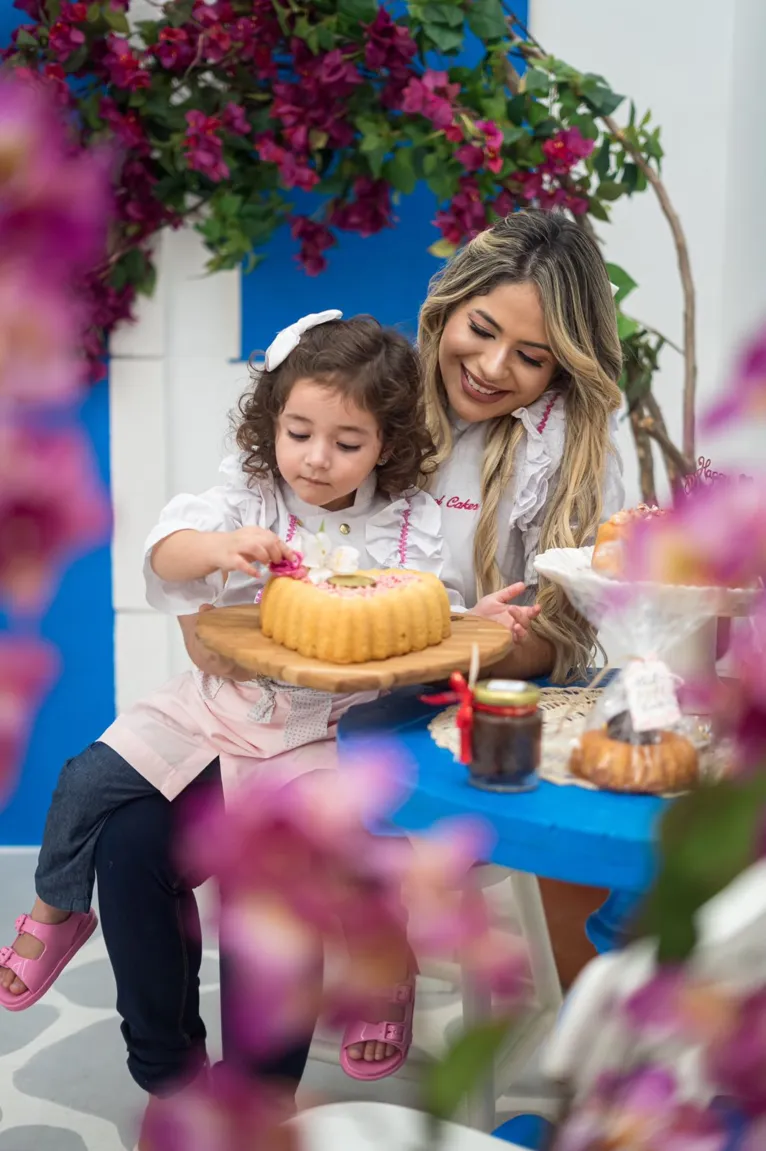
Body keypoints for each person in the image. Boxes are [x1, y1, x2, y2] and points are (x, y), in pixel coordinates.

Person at [0, 313, 540, 1133]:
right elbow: (167, 552)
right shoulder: (244, 498)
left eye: (348, 442)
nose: (318, 458)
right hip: (221, 721)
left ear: (387, 446)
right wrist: (221, 548)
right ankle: (170, 1075)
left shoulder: (409, 526)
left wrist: (482, 621)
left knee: (275, 878)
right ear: (272, 421)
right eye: (299, 432)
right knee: (121, 832)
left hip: (326, 745)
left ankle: (266, 1088)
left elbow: (429, 619)